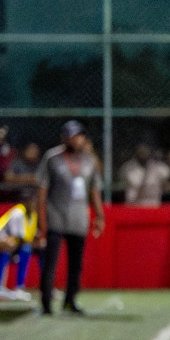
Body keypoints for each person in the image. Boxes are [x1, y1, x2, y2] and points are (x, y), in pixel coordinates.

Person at [36, 120, 104, 316]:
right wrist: (42, 223)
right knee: (51, 263)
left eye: (78, 136)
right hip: (56, 216)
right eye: (71, 136)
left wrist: (99, 215)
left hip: (78, 218)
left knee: (76, 264)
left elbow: (95, 190)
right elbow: (42, 191)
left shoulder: (89, 160)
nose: (75, 139)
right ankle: (46, 302)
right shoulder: (52, 158)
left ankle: (71, 299)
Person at [0, 190, 37, 300]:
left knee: (26, 249)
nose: (34, 204)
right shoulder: (17, 213)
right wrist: (15, 252)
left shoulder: (32, 214)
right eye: (31, 202)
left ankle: (18, 286)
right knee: (22, 249)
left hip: (9, 243)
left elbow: (27, 237)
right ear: (25, 202)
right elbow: (16, 237)